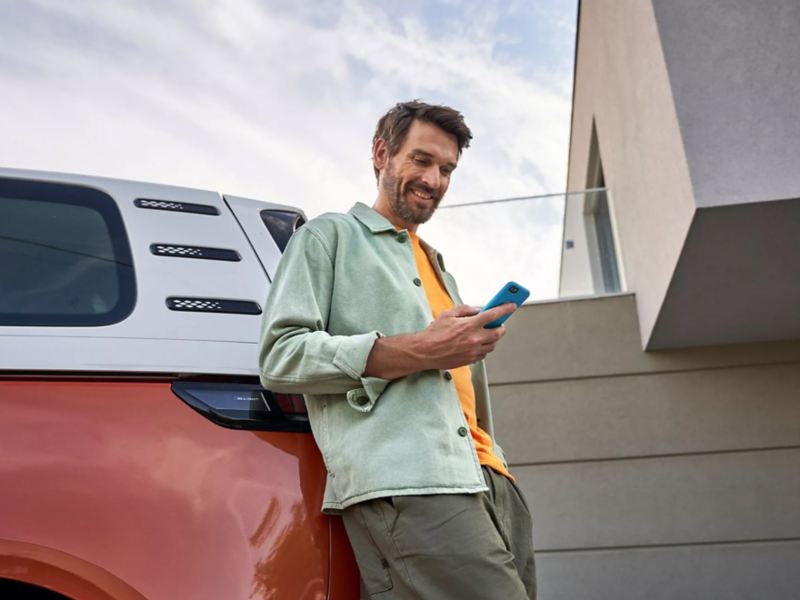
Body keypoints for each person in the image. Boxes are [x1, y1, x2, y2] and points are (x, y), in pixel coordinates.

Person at [258, 100, 536, 599]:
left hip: (490, 478)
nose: (435, 180)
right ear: (382, 153)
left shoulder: (437, 266)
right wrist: (424, 348)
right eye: (422, 160)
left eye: (447, 169)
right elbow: (282, 356)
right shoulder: (328, 237)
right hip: (413, 482)